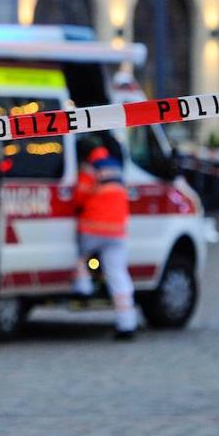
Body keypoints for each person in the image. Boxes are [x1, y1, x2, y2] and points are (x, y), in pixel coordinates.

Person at [72, 141, 136, 340]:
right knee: (118, 275)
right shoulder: (115, 166)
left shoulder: (89, 168)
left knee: (79, 254)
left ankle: (83, 288)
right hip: (117, 231)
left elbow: (79, 198)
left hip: (93, 228)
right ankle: (127, 323)